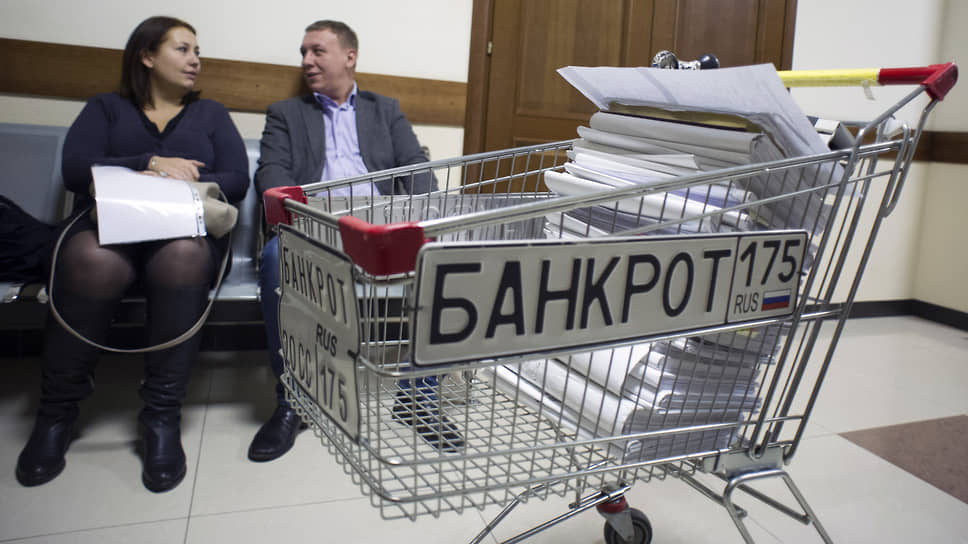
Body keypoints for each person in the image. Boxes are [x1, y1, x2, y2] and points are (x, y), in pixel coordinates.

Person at [14, 16, 249, 493]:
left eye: (197, 51)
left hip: (182, 231)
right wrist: (149, 163)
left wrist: (173, 181)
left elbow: (237, 181)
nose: (195, 60)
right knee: (91, 260)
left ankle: (161, 416)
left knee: (183, 256)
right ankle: (56, 414)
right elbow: (76, 170)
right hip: (109, 230)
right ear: (147, 56)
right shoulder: (106, 108)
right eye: (183, 49)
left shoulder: (211, 115)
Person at [249, 20, 438, 462]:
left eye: (317, 50)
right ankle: (294, 399)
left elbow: (417, 167)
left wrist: (421, 214)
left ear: (349, 56)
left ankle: (418, 395)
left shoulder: (384, 110)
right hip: (314, 228)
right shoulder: (286, 113)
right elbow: (271, 174)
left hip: (379, 230)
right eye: (303, 52)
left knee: (441, 257)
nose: (306, 61)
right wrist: (304, 213)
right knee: (276, 258)